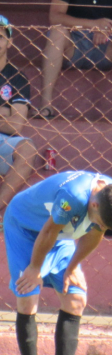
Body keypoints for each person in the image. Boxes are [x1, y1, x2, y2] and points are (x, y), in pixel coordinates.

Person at [5, 170, 112, 355]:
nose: (100, 227)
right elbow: (48, 231)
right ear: (94, 204)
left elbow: (95, 233)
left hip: (59, 235)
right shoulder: (73, 196)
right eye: (99, 222)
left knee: (76, 300)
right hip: (25, 229)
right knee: (28, 297)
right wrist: (34, 268)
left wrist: (72, 267)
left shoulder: (110, 195)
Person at [0, 15, 38, 212]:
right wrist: (4, 112)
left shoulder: (17, 77)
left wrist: (8, 118)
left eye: (0, 36)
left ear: (9, 42)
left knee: (28, 149)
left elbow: (16, 125)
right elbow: (9, 119)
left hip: (2, 142)